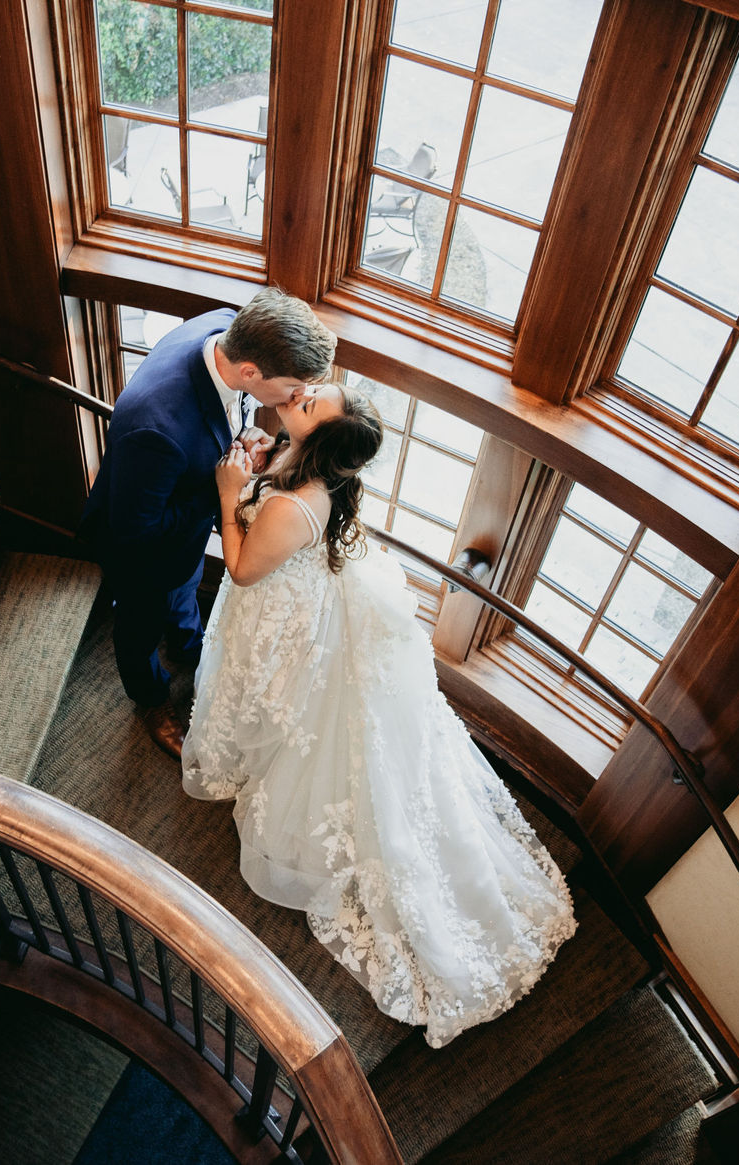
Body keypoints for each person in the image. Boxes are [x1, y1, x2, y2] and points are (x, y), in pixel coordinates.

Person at [182, 381, 576, 1048]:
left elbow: (245, 570)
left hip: (280, 598)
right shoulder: (309, 469)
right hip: (308, 597)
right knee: (288, 706)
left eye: (309, 403)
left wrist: (229, 499)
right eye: (311, 390)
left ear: (318, 441)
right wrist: (257, 463)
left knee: (310, 726)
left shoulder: (296, 506)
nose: (300, 394)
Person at [79, 288, 335, 756]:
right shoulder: (155, 428)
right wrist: (225, 490)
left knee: (184, 591)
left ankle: (186, 644)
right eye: (293, 388)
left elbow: (214, 424)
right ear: (251, 373)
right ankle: (151, 699)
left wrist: (240, 439)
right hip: (141, 557)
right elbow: (135, 531)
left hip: (182, 541)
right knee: (138, 628)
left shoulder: (224, 327)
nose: (297, 397)